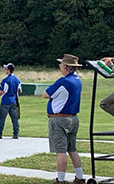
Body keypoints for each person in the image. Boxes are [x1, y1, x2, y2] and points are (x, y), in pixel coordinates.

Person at [43, 54, 85, 184]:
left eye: (61, 65)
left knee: (60, 151)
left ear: (66, 67)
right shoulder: (78, 80)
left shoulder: (63, 81)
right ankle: (79, 177)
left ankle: (60, 180)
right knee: (72, 149)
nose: (60, 67)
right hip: (73, 118)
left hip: (59, 119)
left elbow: (46, 94)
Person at [0, 63, 22, 139]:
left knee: (2, 119)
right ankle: (16, 134)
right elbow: (20, 91)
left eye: (6, 69)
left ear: (8, 70)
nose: (5, 70)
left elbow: (3, 91)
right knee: (15, 119)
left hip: (6, 101)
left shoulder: (6, 80)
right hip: (14, 101)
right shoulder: (17, 79)